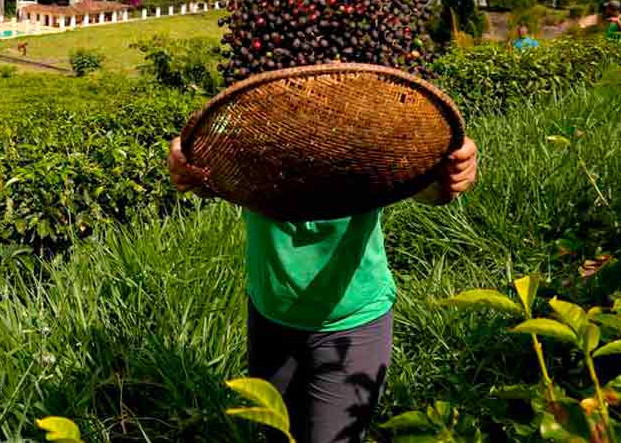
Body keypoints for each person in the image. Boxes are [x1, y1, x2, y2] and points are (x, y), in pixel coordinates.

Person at [168, 134, 479, 443]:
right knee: (279, 433)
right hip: (270, 316)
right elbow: (208, 165)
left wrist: (447, 173)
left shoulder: (364, 127)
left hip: (352, 323)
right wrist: (186, 158)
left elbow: (422, 184)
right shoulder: (258, 120)